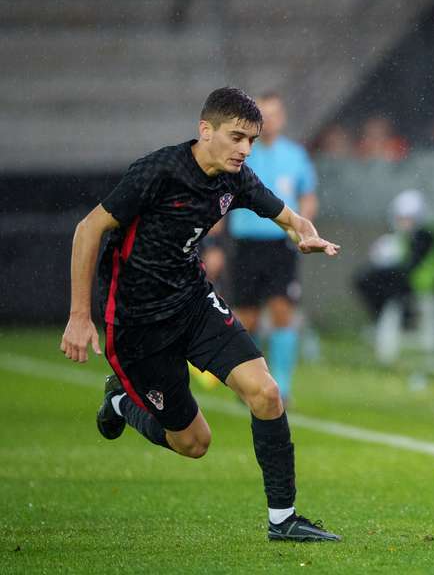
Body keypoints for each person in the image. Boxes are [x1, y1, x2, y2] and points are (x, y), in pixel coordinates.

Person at [59, 87, 342, 543]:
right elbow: (88, 228)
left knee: (267, 394)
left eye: (251, 139)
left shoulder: (237, 178)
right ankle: (119, 402)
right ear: (205, 130)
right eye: (236, 137)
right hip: (137, 325)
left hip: (192, 304)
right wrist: (78, 315)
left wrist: (304, 233)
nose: (245, 149)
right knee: (194, 444)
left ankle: (283, 520)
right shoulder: (159, 171)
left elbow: (289, 217)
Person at [227, 91, 319, 406]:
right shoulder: (241, 155)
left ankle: (282, 385)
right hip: (246, 245)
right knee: (247, 318)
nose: (269, 122)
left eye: (274, 114)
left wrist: (305, 226)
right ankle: (253, 382)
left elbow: (308, 194)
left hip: (280, 246)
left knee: (282, 312)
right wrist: (210, 243)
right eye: (263, 116)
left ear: (283, 118)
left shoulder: (295, 156)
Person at [354, 190, 434, 325]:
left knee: (369, 280)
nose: (403, 223)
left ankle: (397, 319)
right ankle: (394, 318)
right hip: (412, 277)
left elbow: (411, 264)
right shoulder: (410, 234)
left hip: (420, 281)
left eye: (407, 219)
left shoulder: (424, 234)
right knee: (370, 278)